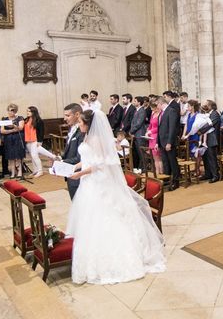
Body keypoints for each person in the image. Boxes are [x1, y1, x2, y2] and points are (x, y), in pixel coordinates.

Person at [66, 110, 166, 284]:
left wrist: (81, 173)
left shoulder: (96, 139)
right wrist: (76, 165)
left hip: (98, 183)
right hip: (88, 183)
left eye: (81, 122)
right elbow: (89, 158)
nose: (79, 125)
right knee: (88, 221)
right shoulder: (88, 137)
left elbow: (100, 163)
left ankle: (113, 260)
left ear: (88, 123)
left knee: (105, 218)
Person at [23, 106, 55, 177]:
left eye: (29, 111)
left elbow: (41, 131)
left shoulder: (38, 121)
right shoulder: (26, 120)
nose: (27, 112)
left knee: (34, 155)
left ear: (33, 112)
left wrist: (40, 141)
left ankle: (40, 171)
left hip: (35, 140)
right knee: (32, 156)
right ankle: (36, 170)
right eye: (27, 111)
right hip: (28, 140)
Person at [157, 93, 180, 191]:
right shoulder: (161, 113)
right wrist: (158, 142)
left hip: (168, 142)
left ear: (160, 103)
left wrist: (169, 142)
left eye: (157, 104)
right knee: (166, 162)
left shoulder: (171, 111)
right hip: (162, 142)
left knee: (172, 161)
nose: (156, 107)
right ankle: (167, 179)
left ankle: (175, 181)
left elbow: (172, 128)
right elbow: (160, 129)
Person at [0, 104, 25, 179]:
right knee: (11, 156)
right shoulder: (4, 119)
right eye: (9, 110)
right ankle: (13, 172)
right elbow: (2, 131)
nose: (11, 112)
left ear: (15, 111)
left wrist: (14, 125)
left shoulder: (20, 118)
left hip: (18, 138)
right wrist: (12, 130)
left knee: (18, 155)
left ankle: (20, 172)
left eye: (12, 110)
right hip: (9, 139)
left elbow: (20, 128)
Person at [145, 99, 163, 175]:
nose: (151, 109)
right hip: (151, 137)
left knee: (158, 157)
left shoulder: (161, 114)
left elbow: (159, 127)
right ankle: (157, 172)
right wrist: (147, 131)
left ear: (157, 107)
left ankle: (161, 173)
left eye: (152, 107)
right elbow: (151, 125)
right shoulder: (153, 114)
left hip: (156, 136)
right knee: (154, 157)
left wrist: (151, 131)